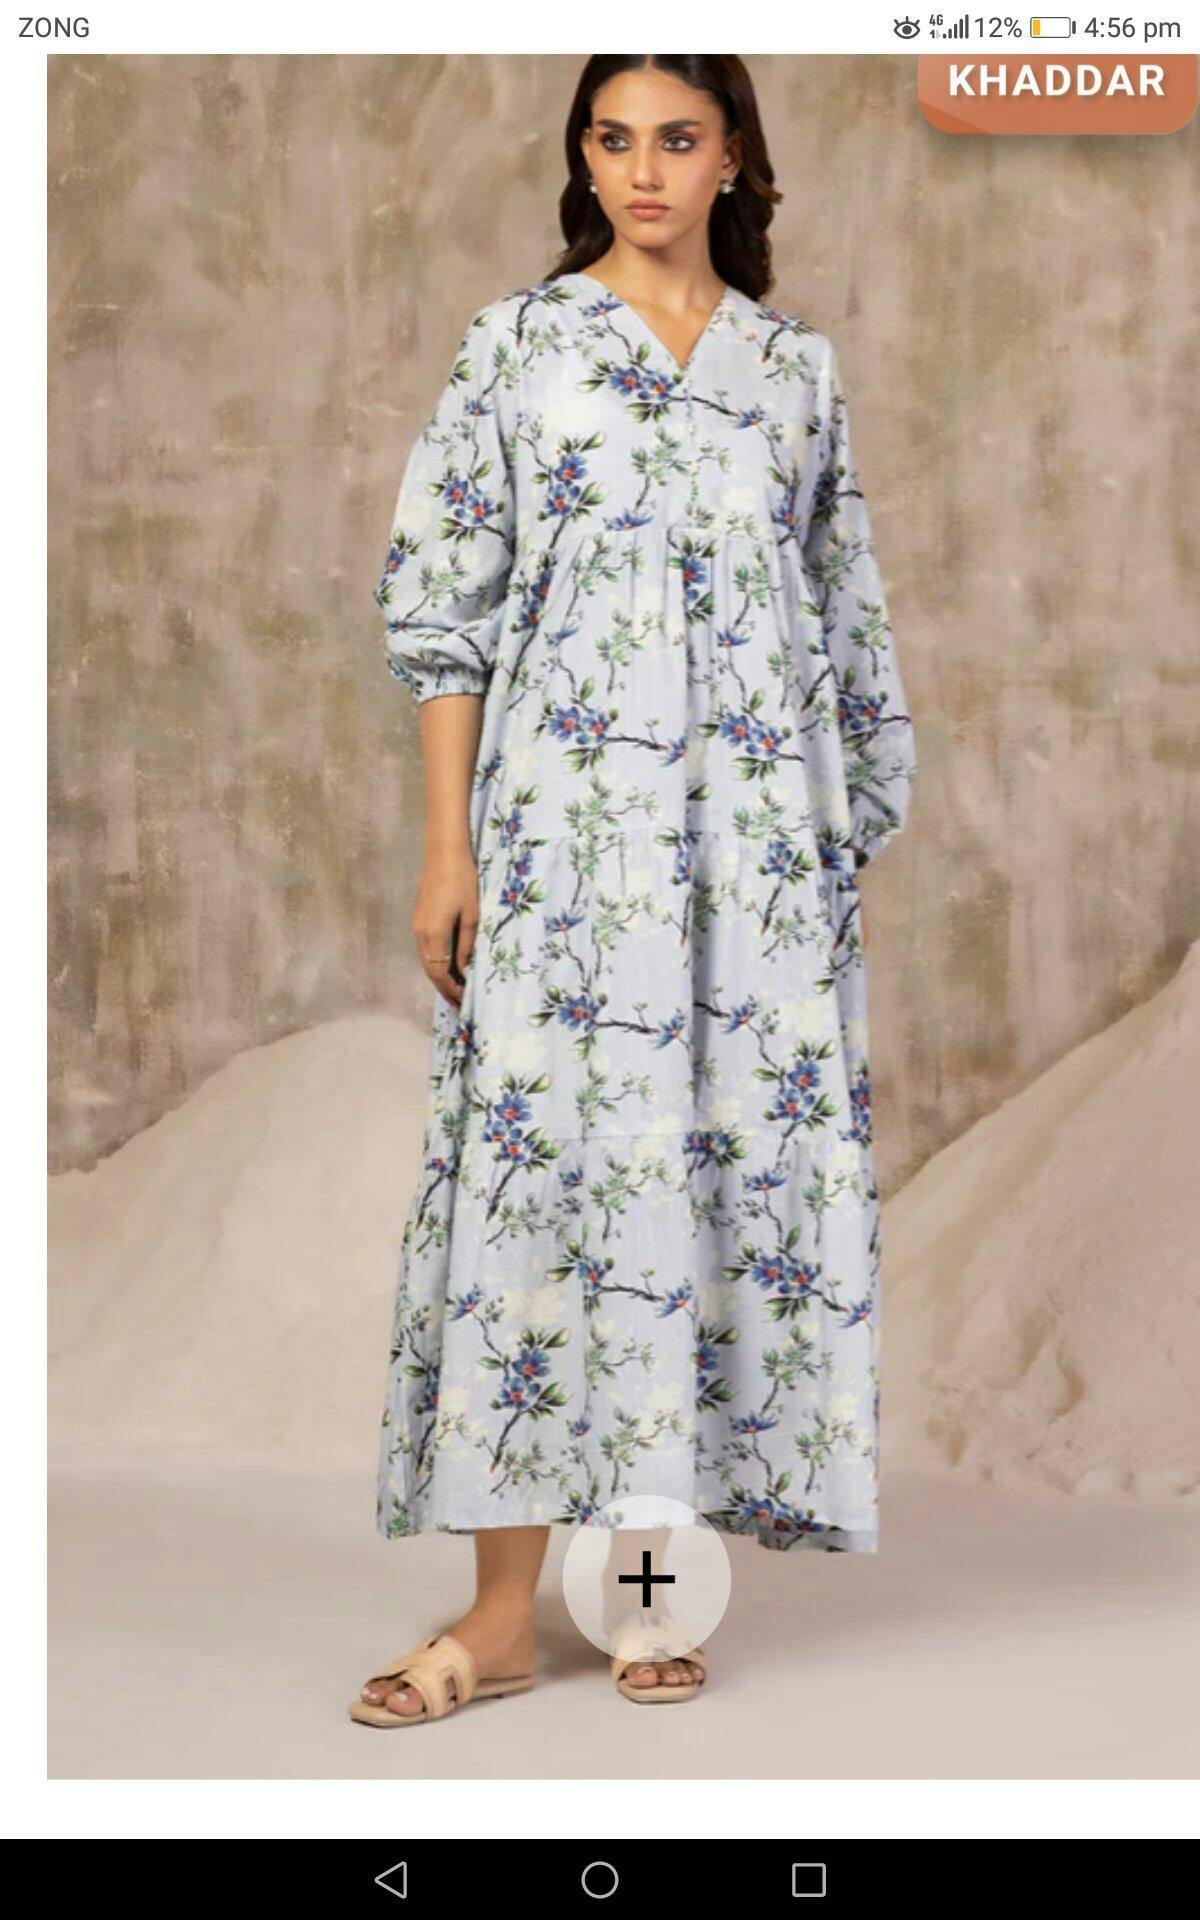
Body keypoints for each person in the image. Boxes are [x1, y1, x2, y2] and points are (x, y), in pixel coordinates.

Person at [352, 53, 917, 1729]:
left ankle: (651, 1591)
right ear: (582, 159)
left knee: (709, 1184)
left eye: (678, 138)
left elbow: (847, 622)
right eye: (613, 140)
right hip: (562, 851)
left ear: (734, 157)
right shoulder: (518, 349)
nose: (643, 170)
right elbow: (446, 610)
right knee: (540, 1195)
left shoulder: (793, 374)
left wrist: (822, 845)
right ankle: (499, 1618)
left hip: (750, 863)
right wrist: (449, 848)